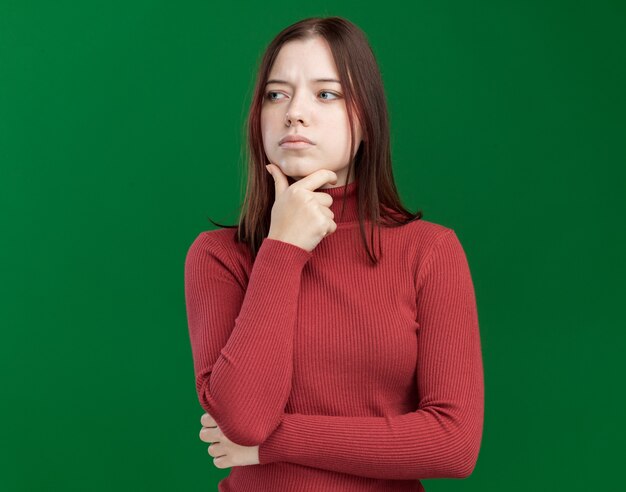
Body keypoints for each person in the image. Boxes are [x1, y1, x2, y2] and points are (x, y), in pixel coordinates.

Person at [184, 16, 484, 492]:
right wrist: (282, 249)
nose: (294, 113)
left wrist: (275, 443)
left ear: (366, 119)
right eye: (276, 94)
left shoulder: (429, 252)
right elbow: (242, 420)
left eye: (326, 94)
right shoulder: (220, 257)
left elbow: (452, 443)